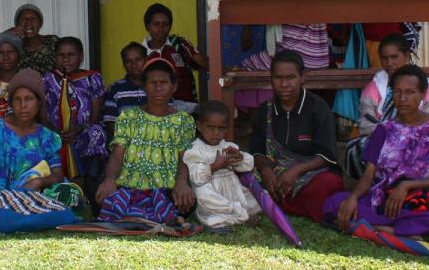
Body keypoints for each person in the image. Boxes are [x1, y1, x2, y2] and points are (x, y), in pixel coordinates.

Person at [325, 65, 429, 237]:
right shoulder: (384, 129)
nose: (403, 98)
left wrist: (406, 185)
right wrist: (353, 198)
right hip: (386, 200)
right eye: (397, 92)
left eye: (410, 92)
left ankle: (383, 229)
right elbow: (368, 176)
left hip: (426, 198)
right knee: (334, 203)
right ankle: (402, 228)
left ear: (422, 94)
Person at [0, 69, 81, 233]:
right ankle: (27, 218)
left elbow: (57, 174)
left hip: (29, 197)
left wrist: (39, 182)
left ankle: (16, 219)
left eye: (29, 99)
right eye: (17, 99)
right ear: (11, 103)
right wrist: (4, 199)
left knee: (68, 193)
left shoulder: (47, 137)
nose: (23, 106)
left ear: (39, 102)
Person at [95, 58, 197, 223]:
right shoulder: (129, 117)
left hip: (165, 188)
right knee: (100, 194)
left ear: (174, 86)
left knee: (186, 200)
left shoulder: (183, 120)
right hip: (129, 187)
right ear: (143, 86)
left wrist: (181, 183)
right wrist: (109, 180)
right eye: (152, 83)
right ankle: (153, 215)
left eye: (164, 82)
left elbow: (184, 157)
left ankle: (133, 214)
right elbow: (117, 154)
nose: (158, 88)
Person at [248, 51, 344, 223]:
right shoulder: (265, 110)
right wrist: (265, 170)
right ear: (271, 78)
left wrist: (296, 171)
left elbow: (327, 156)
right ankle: (284, 203)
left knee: (328, 184)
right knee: (244, 178)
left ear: (302, 77)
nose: (284, 84)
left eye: (290, 77)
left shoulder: (318, 108)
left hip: (310, 174)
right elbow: (256, 151)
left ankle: (274, 204)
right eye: (278, 78)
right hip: (275, 175)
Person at [344, 34, 429, 179]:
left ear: (407, 56)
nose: (389, 63)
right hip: (383, 139)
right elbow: (365, 123)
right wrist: (391, 134)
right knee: (358, 147)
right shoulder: (376, 85)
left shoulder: (427, 86)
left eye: (394, 57)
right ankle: (384, 182)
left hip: (418, 140)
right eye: (384, 58)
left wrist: (404, 134)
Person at [42, 37, 108, 187]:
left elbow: (94, 118)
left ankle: (89, 184)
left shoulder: (92, 78)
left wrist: (77, 130)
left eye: (71, 55)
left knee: (96, 133)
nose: (66, 60)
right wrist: (58, 133)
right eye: (61, 55)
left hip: (81, 134)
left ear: (81, 56)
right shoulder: (46, 80)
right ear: (55, 57)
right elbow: (43, 119)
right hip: (55, 135)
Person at [184, 101, 260, 230]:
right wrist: (215, 166)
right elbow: (196, 178)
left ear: (227, 128)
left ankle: (235, 216)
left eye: (221, 128)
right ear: (199, 126)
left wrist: (239, 157)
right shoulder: (194, 150)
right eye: (210, 127)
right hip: (213, 193)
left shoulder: (228, 146)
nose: (216, 133)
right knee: (202, 194)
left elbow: (248, 166)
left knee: (258, 196)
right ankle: (240, 214)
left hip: (232, 190)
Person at [143, 3, 208, 108]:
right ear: (147, 26)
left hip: (187, 109)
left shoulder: (179, 44)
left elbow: (205, 63)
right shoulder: (141, 53)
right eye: (156, 24)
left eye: (165, 24)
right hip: (155, 110)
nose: (161, 28)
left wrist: (228, 72)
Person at [0, 4, 60, 74]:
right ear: (17, 24)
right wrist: (5, 34)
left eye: (34, 18)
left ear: (40, 23)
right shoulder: (13, 47)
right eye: (23, 19)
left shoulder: (53, 41)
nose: (28, 22)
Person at [101, 42, 148, 136]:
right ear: (124, 65)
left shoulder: (157, 86)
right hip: (126, 139)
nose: (134, 65)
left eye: (138, 60)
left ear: (146, 60)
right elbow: (110, 123)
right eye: (128, 61)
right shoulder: (115, 89)